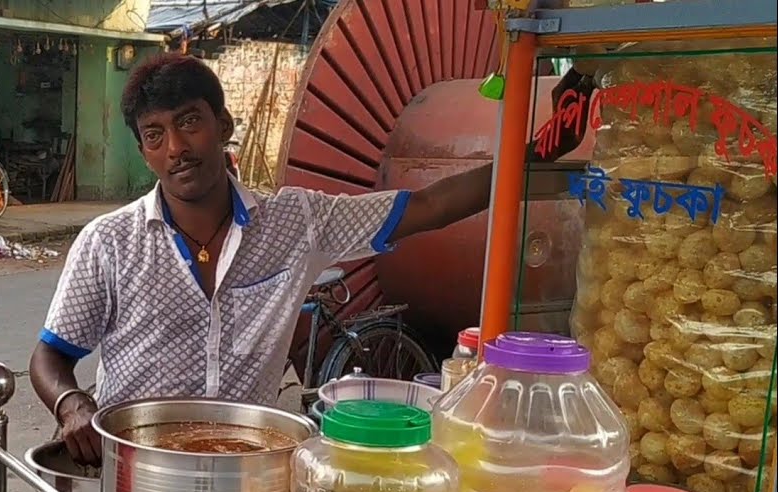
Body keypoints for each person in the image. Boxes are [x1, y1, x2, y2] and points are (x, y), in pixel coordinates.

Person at [30, 53, 592, 465]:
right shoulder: (109, 242)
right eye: (155, 135)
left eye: (189, 122)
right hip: (136, 468)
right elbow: (50, 359)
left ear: (223, 126)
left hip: (248, 466)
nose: (175, 147)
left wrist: (534, 158)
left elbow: (430, 205)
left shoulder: (297, 221)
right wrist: (73, 405)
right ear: (144, 149)